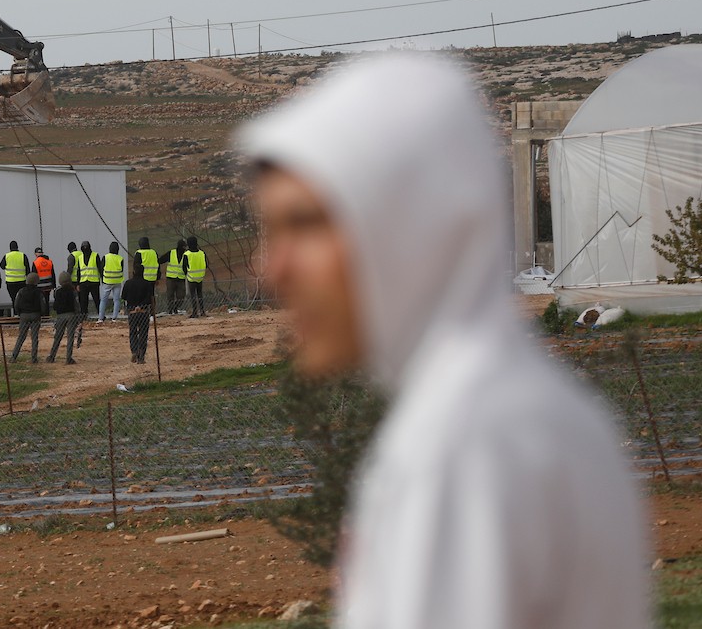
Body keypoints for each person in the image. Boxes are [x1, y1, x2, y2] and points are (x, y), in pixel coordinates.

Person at [239, 54, 650, 629]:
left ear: (409, 223)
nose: (271, 270)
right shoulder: (518, 408)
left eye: (306, 224)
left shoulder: (464, 444)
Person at [121, 260, 154, 363]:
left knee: (133, 332)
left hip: (132, 312)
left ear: (134, 272)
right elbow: (150, 298)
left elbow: (123, 296)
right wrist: (141, 306)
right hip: (143, 312)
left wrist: (133, 305)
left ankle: (134, 350)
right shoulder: (147, 284)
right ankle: (141, 356)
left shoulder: (128, 283)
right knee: (143, 333)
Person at [9, 273, 44, 363]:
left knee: (21, 337)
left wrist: (19, 313)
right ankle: (34, 358)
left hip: (24, 315)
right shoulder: (39, 292)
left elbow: (16, 304)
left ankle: (14, 357)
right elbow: (43, 304)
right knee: (34, 338)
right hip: (35, 315)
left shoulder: (21, 291)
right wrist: (41, 314)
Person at [47, 271, 80, 364]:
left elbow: (55, 305)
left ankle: (52, 356)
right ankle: (68, 358)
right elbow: (76, 305)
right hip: (71, 315)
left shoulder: (57, 291)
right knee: (70, 337)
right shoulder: (73, 291)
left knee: (58, 337)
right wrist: (78, 316)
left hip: (60, 316)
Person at [98, 241, 125, 323]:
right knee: (116, 300)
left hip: (107, 281)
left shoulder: (105, 257)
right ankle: (114, 318)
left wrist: (102, 280)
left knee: (103, 300)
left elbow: (101, 269)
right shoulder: (120, 258)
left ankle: (101, 318)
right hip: (117, 281)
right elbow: (121, 269)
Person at [76, 240, 102, 320]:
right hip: (83, 282)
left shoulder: (95, 255)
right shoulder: (80, 258)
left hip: (94, 282)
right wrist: (78, 284)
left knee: (97, 300)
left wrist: (103, 280)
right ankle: (84, 317)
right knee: (83, 301)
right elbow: (78, 271)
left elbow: (100, 268)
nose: (85, 249)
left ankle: (101, 316)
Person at [160, 239, 187, 315]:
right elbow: (161, 260)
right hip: (171, 278)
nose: (185, 248)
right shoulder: (171, 253)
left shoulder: (186, 255)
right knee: (170, 295)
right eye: (184, 246)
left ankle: (175, 307)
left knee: (181, 296)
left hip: (181, 278)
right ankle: (170, 310)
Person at [1, 240, 31, 309]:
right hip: (21, 282)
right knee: (22, 298)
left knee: (14, 299)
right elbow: (28, 269)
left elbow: (2, 266)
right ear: (17, 247)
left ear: (10, 247)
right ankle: (22, 312)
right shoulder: (23, 255)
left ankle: (15, 312)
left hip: (10, 282)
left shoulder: (7, 256)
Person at [183, 236, 207, 318]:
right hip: (200, 276)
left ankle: (195, 312)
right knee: (200, 294)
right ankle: (202, 311)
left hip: (191, 277)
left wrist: (186, 274)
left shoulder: (187, 254)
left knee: (193, 295)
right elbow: (206, 264)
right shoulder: (202, 253)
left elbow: (184, 267)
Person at [33, 247, 56, 314]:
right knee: (46, 301)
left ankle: (42, 315)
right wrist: (54, 285)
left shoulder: (35, 262)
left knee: (40, 302)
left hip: (39, 286)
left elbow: (33, 276)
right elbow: (53, 274)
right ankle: (47, 315)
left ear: (36, 254)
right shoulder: (49, 261)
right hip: (48, 286)